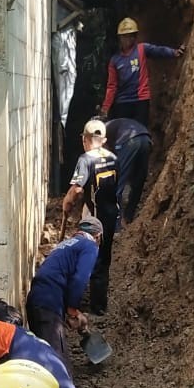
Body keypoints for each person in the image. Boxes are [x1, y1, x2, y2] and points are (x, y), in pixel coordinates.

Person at [25, 216, 103, 373]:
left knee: (43, 358)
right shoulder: (89, 245)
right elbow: (80, 278)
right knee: (57, 365)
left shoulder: (64, 246)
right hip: (48, 300)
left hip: (36, 298)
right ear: (98, 236)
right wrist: (73, 308)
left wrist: (71, 312)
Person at [62, 120, 120, 315]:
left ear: (85, 139)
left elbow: (77, 189)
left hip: (94, 219)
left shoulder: (86, 159)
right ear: (103, 140)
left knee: (87, 257)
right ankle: (99, 305)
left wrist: (67, 202)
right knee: (104, 259)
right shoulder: (113, 157)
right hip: (111, 215)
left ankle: (74, 303)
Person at [99, 17, 184, 126]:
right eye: (125, 36)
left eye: (131, 35)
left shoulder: (142, 49)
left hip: (140, 100)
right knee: (124, 133)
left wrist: (174, 52)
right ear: (120, 38)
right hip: (123, 102)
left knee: (140, 131)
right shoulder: (115, 60)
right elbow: (112, 86)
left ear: (135, 37)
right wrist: (105, 107)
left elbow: (158, 50)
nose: (128, 39)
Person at [106, 117, 153, 224]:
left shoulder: (102, 130)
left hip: (129, 140)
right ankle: (128, 216)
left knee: (118, 182)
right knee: (139, 180)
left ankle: (115, 225)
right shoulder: (115, 125)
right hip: (146, 139)